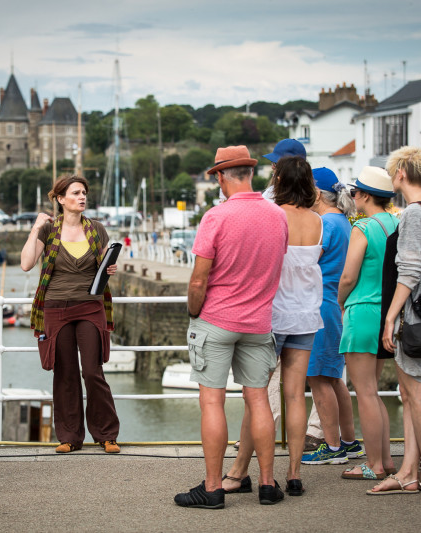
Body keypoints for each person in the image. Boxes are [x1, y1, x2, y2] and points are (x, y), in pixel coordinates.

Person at [174, 146, 288, 509]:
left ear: (221, 176)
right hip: (259, 322)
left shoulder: (216, 217)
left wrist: (194, 312)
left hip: (217, 320)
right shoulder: (277, 216)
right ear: (250, 173)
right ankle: (269, 485)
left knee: (212, 400)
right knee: (258, 402)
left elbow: (198, 280)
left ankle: (212, 488)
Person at [222, 155, 321, 498]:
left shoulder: (275, 216)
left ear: (278, 180)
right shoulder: (317, 221)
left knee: (257, 396)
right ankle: (294, 474)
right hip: (307, 313)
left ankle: (238, 470)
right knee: (296, 395)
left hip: (273, 313)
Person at [20, 175, 121, 455]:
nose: (82, 197)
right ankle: (69, 437)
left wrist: (109, 268)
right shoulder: (49, 230)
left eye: (84, 192)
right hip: (55, 307)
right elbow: (27, 263)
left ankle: (106, 434)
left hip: (90, 305)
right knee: (65, 373)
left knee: (92, 371)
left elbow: (104, 267)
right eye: (76, 193)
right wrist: (35, 228)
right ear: (61, 199)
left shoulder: (97, 229)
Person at [369, 146, 421, 494]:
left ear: (400, 173)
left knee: (417, 396)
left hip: (412, 319)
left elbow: (410, 269)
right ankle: (410, 472)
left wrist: (390, 317)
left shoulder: (414, 214)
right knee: (415, 394)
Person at [338, 166, 399, 481]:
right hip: (388, 315)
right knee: (374, 392)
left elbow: (349, 276)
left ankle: (373, 464)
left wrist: (339, 301)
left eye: (354, 192)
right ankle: (386, 459)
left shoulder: (362, 228)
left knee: (364, 393)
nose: (352, 197)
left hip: (362, 311)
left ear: (363, 195)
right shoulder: (396, 223)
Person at [301, 167, 362, 464]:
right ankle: (349, 441)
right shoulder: (345, 222)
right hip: (337, 306)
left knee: (317, 378)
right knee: (335, 377)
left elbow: (304, 261)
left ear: (316, 193)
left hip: (321, 305)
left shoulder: (324, 224)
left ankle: (333, 447)